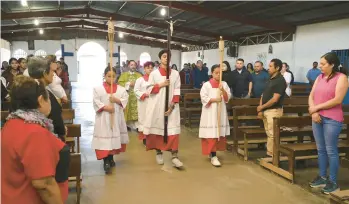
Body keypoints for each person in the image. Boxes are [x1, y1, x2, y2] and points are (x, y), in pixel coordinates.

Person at [1, 75, 70, 204]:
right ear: (40, 100)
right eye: (49, 98)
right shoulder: (34, 133)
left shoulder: (12, 123)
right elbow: (44, 184)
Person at [308, 52, 348, 194]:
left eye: (323, 64)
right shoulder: (320, 77)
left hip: (332, 119)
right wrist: (313, 112)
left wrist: (316, 108)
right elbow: (311, 96)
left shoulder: (342, 78)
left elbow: (337, 100)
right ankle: (323, 177)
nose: (320, 66)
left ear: (332, 65)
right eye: (320, 63)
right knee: (321, 150)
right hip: (317, 117)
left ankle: (333, 181)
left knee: (331, 150)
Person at [143, 49, 183, 168]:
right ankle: (158, 152)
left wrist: (172, 105)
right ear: (160, 58)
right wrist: (161, 85)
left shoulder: (175, 73)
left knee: (173, 131)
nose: (166, 58)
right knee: (158, 130)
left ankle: (174, 156)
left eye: (168, 56)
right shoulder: (154, 74)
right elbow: (148, 89)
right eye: (164, 56)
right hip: (157, 105)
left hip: (172, 106)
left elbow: (177, 90)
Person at [92, 67, 129, 174]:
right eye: (109, 76)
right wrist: (105, 107)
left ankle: (111, 157)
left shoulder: (121, 89)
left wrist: (116, 100)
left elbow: (124, 101)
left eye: (113, 76)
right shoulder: (97, 89)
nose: (111, 78)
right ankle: (106, 161)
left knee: (113, 138)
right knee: (104, 140)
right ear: (104, 76)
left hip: (116, 117)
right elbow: (96, 101)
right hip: (103, 118)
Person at [26, 57, 66, 141]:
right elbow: (55, 119)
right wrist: (62, 131)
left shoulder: (26, 89)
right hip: (46, 140)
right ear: (44, 73)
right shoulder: (42, 93)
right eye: (52, 71)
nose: (53, 74)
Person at [199, 64, 231, 167]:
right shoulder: (207, 85)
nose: (218, 75)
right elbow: (203, 97)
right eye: (216, 73)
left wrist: (223, 91)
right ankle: (213, 156)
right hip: (209, 112)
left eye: (220, 73)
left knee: (218, 133)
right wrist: (213, 100)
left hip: (220, 112)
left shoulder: (224, 84)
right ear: (212, 73)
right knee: (211, 133)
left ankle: (213, 153)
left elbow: (227, 98)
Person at [257, 59, 286, 157]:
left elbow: (275, 99)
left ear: (277, 68)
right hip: (266, 110)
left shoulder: (280, 80)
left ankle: (273, 155)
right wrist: (260, 108)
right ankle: (271, 153)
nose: (268, 68)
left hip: (274, 110)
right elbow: (263, 94)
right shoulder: (270, 78)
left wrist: (262, 107)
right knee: (269, 134)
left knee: (273, 134)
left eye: (270, 66)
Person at [118, 60, 142, 130]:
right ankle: (127, 125)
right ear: (128, 66)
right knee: (127, 111)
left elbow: (143, 85)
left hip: (136, 97)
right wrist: (128, 84)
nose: (133, 66)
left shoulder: (139, 75)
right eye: (131, 65)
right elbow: (120, 84)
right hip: (127, 96)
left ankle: (137, 126)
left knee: (137, 110)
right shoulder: (124, 75)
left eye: (134, 65)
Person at [134, 61, 154, 146]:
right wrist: (143, 94)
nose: (150, 69)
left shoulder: (155, 79)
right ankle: (145, 138)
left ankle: (152, 138)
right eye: (147, 68)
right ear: (144, 69)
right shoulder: (140, 80)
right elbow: (136, 90)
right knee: (143, 119)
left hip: (152, 102)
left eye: (151, 68)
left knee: (152, 119)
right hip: (143, 102)